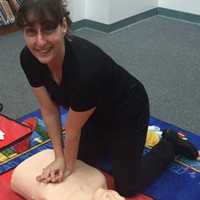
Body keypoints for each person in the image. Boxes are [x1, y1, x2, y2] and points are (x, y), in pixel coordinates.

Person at [15, 0, 198, 197]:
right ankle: (105, 141)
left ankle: (170, 144)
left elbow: (73, 131)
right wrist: (59, 157)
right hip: (91, 113)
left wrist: (66, 166)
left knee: (128, 185)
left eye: (49, 29)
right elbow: (49, 110)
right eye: (31, 31)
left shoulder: (86, 68)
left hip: (126, 109)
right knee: (83, 159)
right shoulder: (28, 58)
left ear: (64, 26)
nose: (40, 42)